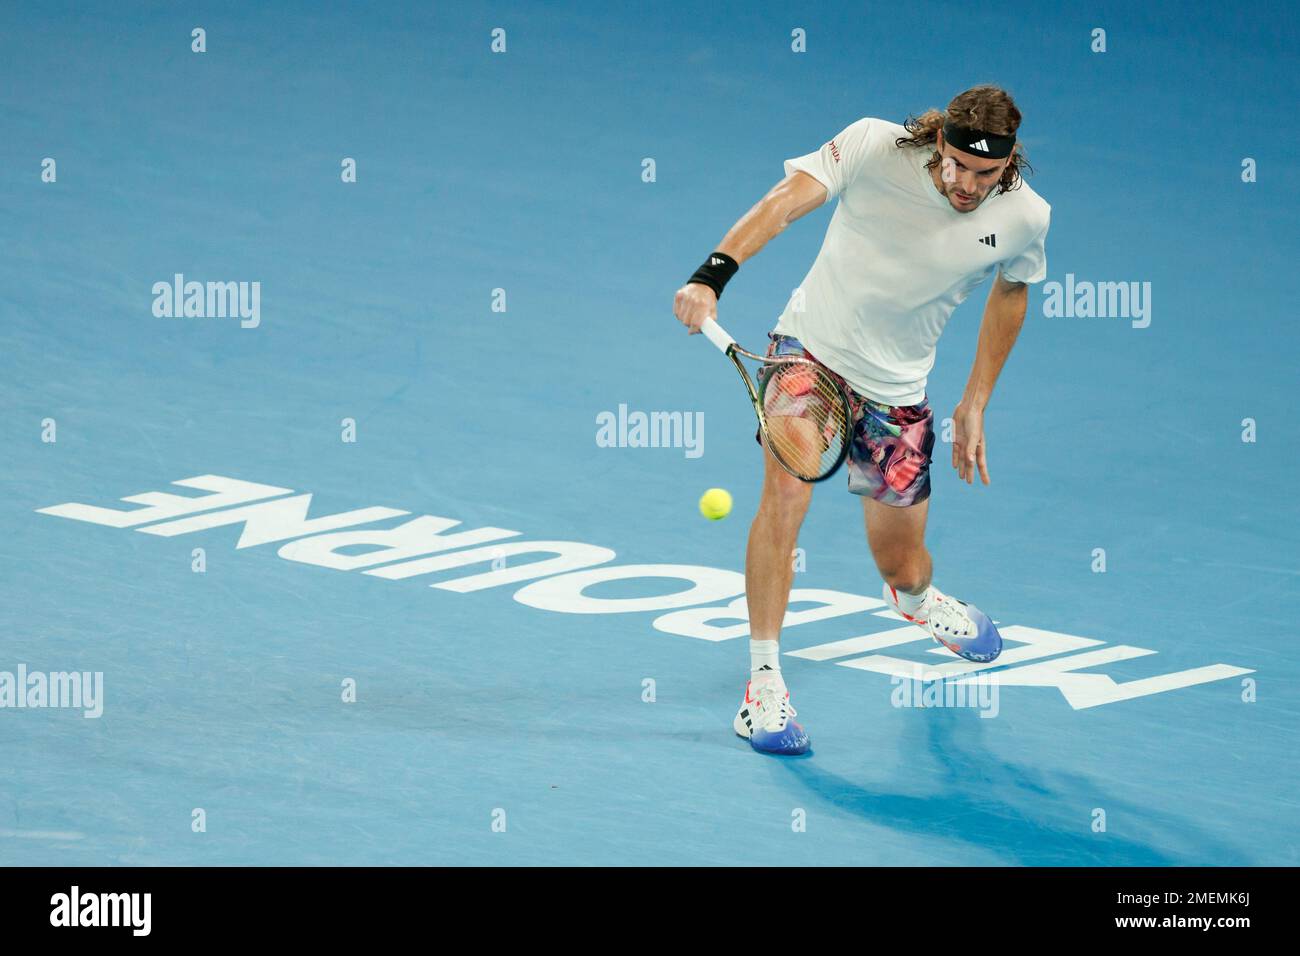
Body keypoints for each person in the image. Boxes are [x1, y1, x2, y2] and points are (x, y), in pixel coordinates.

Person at [672, 85, 1051, 755]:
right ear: (940, 143)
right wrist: (711, 276)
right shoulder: (875, 146)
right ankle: (763, 685)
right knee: (785, 495)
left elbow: (1011, 291)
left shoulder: (1026, 217)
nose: (965, 183)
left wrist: (976, 399)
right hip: (808, 356)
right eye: (956, 163)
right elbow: (784, 202)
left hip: (897, 393)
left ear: (1008, 163)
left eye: (983, 173)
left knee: (901, 563)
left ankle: (914, 600)